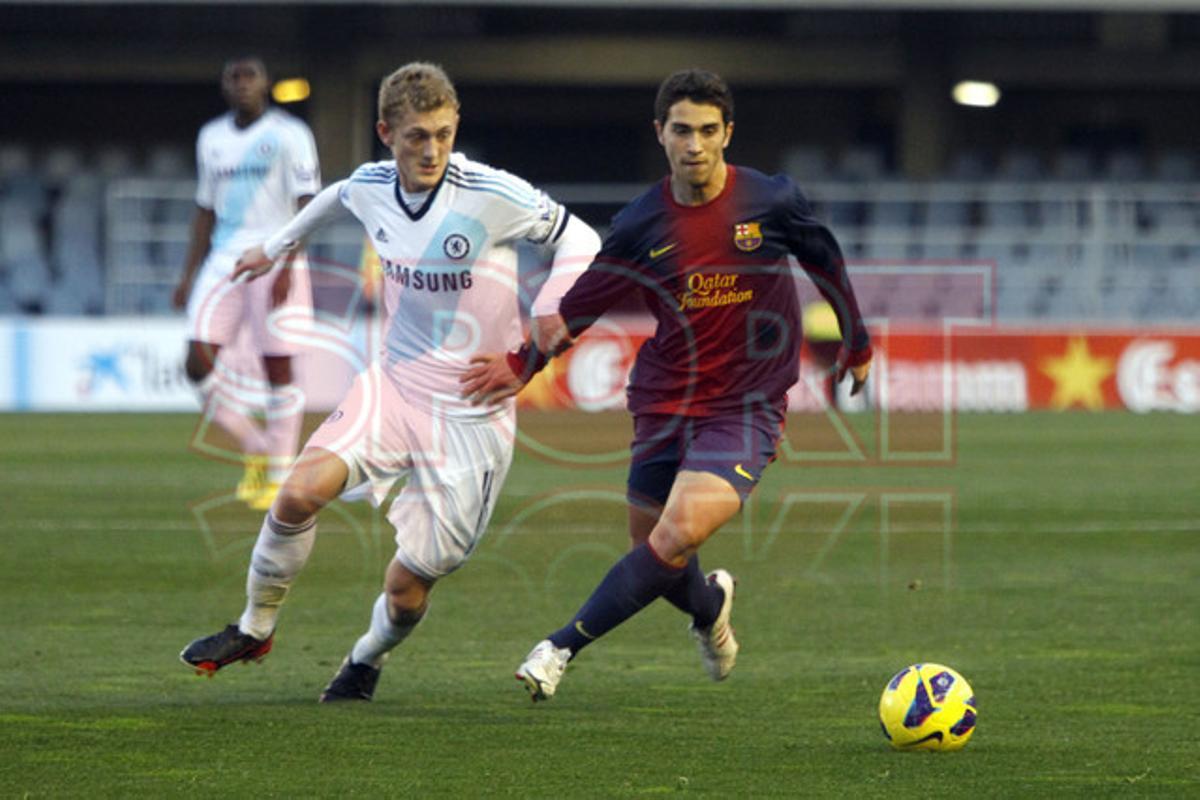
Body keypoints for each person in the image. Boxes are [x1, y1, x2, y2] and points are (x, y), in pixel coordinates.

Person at [179, 62, 600, 702]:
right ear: (386, 132)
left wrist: (542, 326)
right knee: (295, 495)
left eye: (442, 134)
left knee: (408, 589)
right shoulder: (372, 186)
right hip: (395, 385)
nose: (431, 150)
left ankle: (364, 659)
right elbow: (335, 196)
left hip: (472, 412)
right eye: (415, 137)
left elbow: (583, 239)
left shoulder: (493, 193)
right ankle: (254, 627)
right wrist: (279, 245)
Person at [460, 68, 873, 701]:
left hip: (746, 405)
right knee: (656, 551)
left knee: (674, 536)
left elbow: (826, 258)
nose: (696, 145)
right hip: (664, 400)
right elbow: (581, 305)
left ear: (728, 133)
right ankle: (710, 610)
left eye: (709, 131)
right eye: (682, 130)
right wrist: (521, 365)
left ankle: (559, 647)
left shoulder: (771, 201)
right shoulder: (640, 224)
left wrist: (856, 339)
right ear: (661, 134)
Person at [173, 55, 320, 510]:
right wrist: (189, 272)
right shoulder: (211, 138)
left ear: (266, 83)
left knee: (278, 367)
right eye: (233, 77)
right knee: (196, 363)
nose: (241, 84)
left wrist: (289, 264)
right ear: (224, 86)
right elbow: (205, 207)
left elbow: (309, 201)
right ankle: (256, 445)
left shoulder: (290, 134)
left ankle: (278, 476)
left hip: (275, 253)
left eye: (249, 76)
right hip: (223, 260)